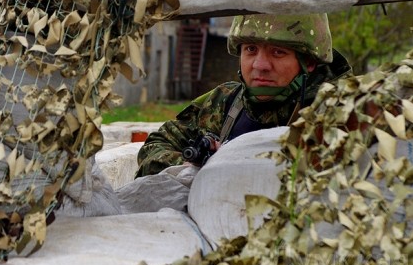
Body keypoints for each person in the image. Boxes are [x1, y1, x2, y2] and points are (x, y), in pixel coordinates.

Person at [136, 13, 353, 177]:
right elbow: (154, 147)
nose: (260, 65)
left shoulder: (340, 111)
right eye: (250, 49)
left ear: (310, 62)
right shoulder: (223, 101)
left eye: (278, 52)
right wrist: (193, 168)